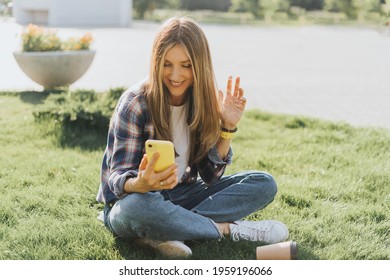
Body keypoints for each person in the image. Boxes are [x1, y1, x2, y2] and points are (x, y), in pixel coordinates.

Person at [96, 16, 289, 258]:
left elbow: (210, 176)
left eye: (186, 65)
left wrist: (227, 128)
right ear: (156, 62)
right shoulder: (136, 103)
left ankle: (162, 232)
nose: (175, 75)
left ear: (199, 64)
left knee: (263, 183)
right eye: (167, 64)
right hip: (138, 200)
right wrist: (140, 183)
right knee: (136, 209)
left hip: (184, 195)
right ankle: (227, 230)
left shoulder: (202, 101)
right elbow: (116, 178)